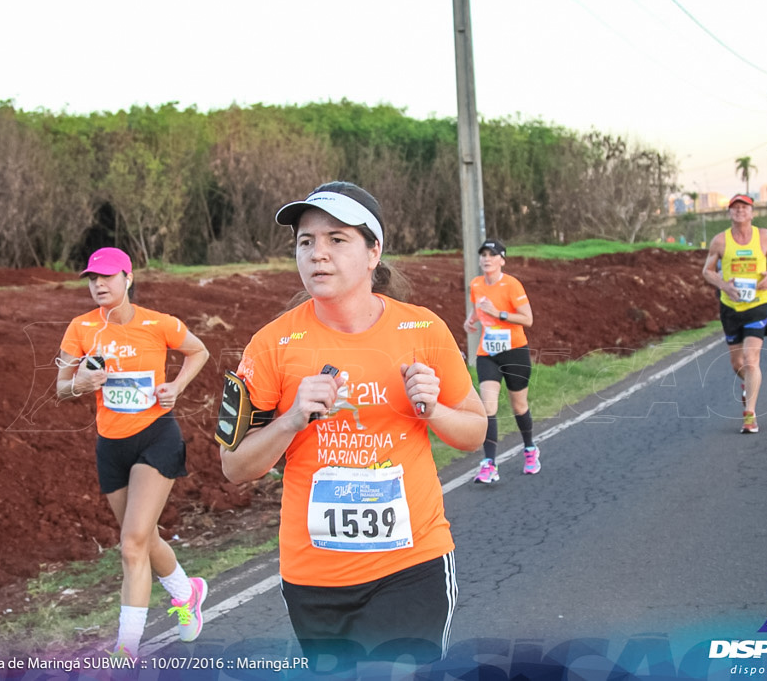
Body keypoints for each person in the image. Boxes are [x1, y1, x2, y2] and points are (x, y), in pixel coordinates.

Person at [219, 182, 486, 666]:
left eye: (336, 239)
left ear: (373, 251)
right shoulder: (271, 345)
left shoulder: (422, 329)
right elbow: (234, 467)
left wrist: (434, 410)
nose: (317, 254)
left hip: (411, 564)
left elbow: (475, 432)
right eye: (305, 241)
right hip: (313, 577)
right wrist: (291, 421)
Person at [55, 247, 211, 658]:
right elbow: (60, 387)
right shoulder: (81, 328)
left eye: (107, 277)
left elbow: (199, 351)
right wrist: (83, 385)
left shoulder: (158, 324)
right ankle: (186, 592)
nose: (99, 285)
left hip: (156, 437)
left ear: (128, 278)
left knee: (131, 543)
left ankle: (126, 650)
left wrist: (176, 387)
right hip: (111, 447)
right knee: (142, 538)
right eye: (92, 278)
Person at [462, 238, 541, 483]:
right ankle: (490, 464)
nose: (486, 259)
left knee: (519, 406)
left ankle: (529, 449)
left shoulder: (512, 285)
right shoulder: (476, 284)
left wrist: (500, 314)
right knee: (488, 407)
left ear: (502, 260)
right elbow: (479, 306)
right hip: (489, 353)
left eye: (492, 255)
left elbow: (527, 319)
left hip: (515, 351)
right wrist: (471, 319)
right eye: (483, 254)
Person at [702, 194, 767, 434]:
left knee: (751, 359)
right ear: (729, 214)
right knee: (737, 363)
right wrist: (725, 285)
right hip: (730, 306)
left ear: (752, 212)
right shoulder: (720, 241)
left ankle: (750, 415)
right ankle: (748, 384)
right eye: (735, 208)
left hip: (757, 304)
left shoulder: (764, 236)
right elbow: (707, 271)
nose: (739, 211)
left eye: (744, 207)